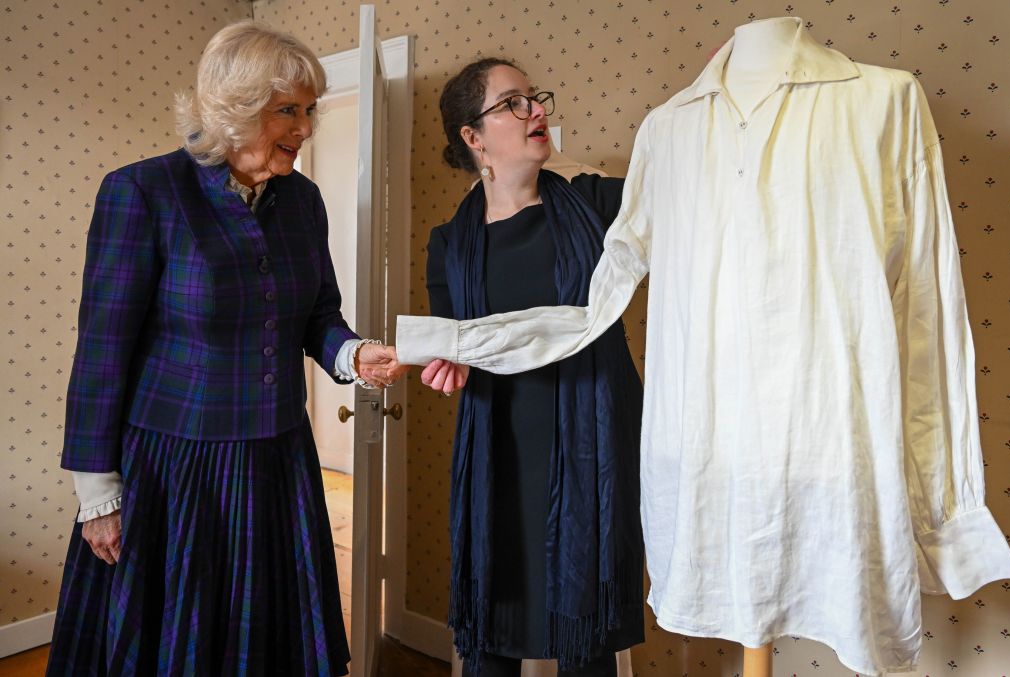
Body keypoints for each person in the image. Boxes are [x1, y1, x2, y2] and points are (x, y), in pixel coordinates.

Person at [47, 21, 404, 676]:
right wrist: (96, 489)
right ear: (235, 109)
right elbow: (102, 350)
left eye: (309, 109)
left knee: (265, 641)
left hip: (277, 457)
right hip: (175, 466)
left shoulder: (303, 201)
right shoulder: (144, 192)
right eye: (287, 111)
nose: (304, 127)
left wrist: (353, 354)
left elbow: (318, 314)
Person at [419, 58, 645, 677]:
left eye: (535, 98)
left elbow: (691, 184)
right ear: (473, 137)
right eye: (513, 103)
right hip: (500, 452)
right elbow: (456, 348)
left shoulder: (599, 205)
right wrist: (445, 366)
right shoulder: (450, 246)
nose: (538, 111)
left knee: (586, 630)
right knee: (495, 619)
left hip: (590, 445)